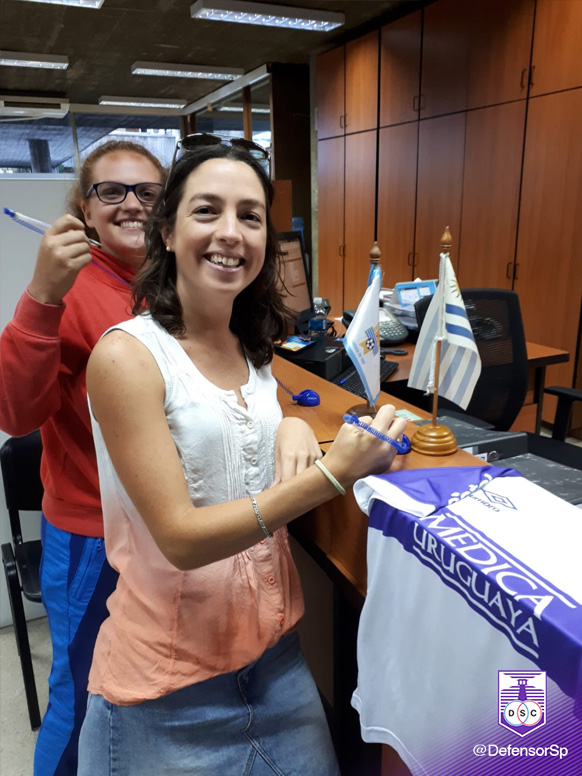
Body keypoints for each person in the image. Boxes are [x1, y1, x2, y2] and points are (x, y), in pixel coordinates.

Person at [78, 138, 408, 776]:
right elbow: (180, 538)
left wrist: (291, 425)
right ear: (167, 232)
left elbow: (244, 417)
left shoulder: (250, 347)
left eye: (250, 216)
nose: (231, 232)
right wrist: (331, 473)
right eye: (207, 210)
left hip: (277, 666)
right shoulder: (126, 356)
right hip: (165, 693)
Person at [0, 140, 165, 775]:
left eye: (147, 192)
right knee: (82, 694)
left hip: (167, 524)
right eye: (111, 191)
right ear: (85, 210)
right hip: (94, 533)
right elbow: (15, 415)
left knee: (145, 689)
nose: (132, 205)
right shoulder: (70, 290)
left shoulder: (171, 286)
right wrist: (42, 294)